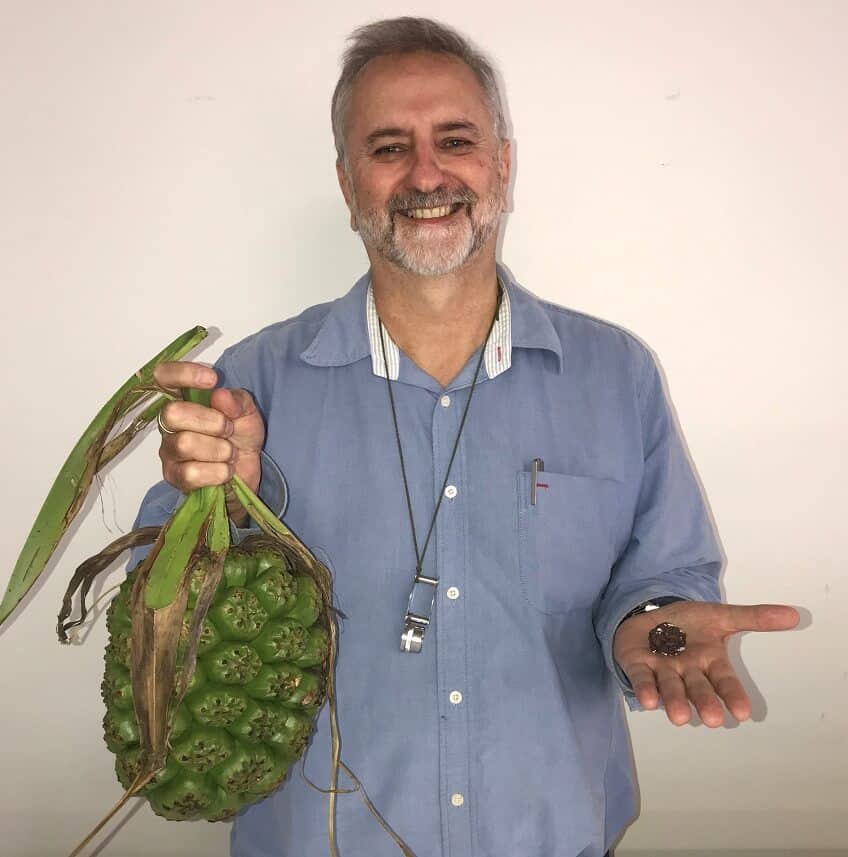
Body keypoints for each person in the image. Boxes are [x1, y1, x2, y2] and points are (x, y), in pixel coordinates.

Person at [142, 17, 799, 857]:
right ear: (348, 185)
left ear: (503, 164)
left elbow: (661, 573)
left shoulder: (615, 373)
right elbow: (156, 621)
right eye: (388, 148)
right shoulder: (250, 384)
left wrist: (653, 624)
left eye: (455, 139)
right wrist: (215, 513)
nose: (426, 173)